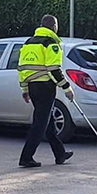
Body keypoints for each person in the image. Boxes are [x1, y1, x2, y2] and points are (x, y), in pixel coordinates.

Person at [17, 14, 74, 168]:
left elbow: (21, 68)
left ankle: (60, 153)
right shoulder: (51, 43)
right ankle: (26, 157)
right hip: (45, 87)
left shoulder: (28, 43)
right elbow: (53, 69)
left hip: (33, 87)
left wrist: (24, 89)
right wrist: (67, 88)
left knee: (48, 121)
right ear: (54, 27)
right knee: (40, 123)